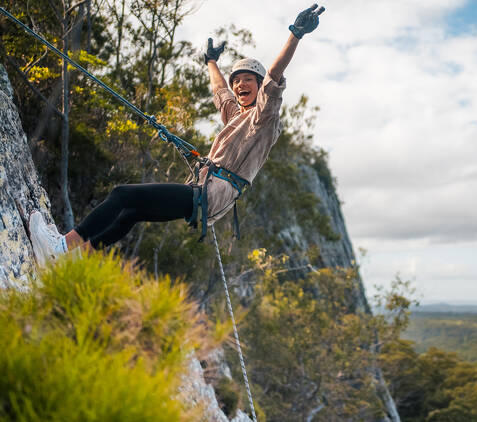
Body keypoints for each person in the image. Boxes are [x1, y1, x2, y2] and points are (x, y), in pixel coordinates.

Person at [28, 4, 325, 266]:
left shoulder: (264, 117)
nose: (240, 85)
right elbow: (221, 93)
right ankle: (76, 258)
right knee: (130, 211)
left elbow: (274, 76)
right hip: (205, 191)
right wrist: (211, 62)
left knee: (121, 195)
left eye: (248, 80)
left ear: (259, 87)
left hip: (211, 193)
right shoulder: (238, 116)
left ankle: (60, 248)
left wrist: (295, 35)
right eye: (238, 81)